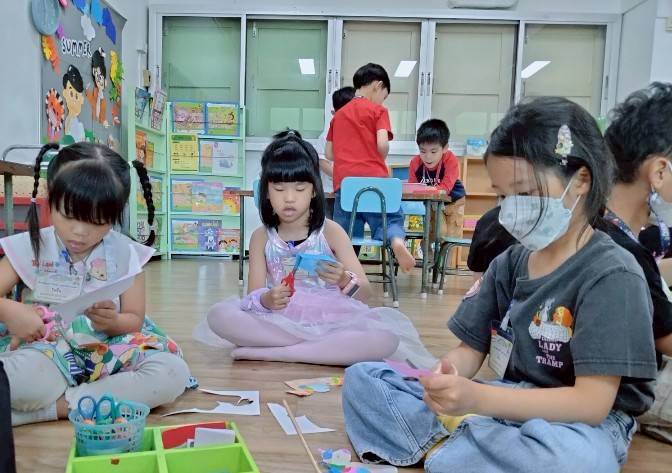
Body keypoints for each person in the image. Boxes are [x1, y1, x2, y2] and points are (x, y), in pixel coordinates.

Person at [342, 97, 657, 472]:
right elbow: (470, 350)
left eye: (524, 193)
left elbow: (591, 404)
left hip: (578, 424)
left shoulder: (612, 274)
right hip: (505, 403)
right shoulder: (511, 262)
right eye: (503, 195)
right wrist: (446, 376)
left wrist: (478, 400)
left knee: (578, 460)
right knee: (364, 377)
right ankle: (464, 448)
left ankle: (447, 446)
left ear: (580, 181)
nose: (511, 208)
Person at [195, 131, 435, 367]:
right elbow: (253, 299)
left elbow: (364, 293)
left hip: (332, 321)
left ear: (314, 191)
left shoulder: (331, 232)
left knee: (386, 339)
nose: (289, 198)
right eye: (279, 189)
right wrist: (267, 299)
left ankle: (278, 353)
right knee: (219, 315)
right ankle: (313, 350)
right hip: (280, 321)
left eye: (299, 189)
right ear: (266, 192)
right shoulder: (261, 238)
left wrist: (344, 280)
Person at [0, 143, 190, 426]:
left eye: (97, 221)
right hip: (45, 353)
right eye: (68, 215)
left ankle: (51, 409)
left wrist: (113, 322)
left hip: (109, 351)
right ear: (51, 197)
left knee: (172, 373)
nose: (80, 232)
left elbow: (134, 319)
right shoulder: (31, 245)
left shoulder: (126, 254)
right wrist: (8, 310)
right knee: (24, 378)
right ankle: (84, 401)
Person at [603, 82, 672, 442]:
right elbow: (667, 338)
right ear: (659, 171)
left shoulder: (599, 229)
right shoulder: (627, 253)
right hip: (620, 400)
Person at [327, 63, 416, 272]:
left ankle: (343, 273)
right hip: (376, 184)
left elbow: (329, 153)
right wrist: (379, 156)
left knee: (345, 234)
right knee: (390, 220)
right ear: (378, 85)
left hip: (346, 186)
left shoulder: (338, 115)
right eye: (384, 96)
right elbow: (382, 144)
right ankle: (396, 240)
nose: (382, 101)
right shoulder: (378, 111)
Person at [408, 119, 466, 240]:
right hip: (433, 202)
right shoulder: (415, 163)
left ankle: (444, 253)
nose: (428, 156)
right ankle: (427, 250)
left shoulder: (450, 160)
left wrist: (426, 190)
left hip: (453, 201)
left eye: (433, 151)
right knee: (436, 233)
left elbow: (445, 188)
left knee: (450, 238)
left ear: (445, 148)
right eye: (423, 151)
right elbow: (412, 190)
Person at [314, 86, 356, 218]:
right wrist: (342, 177)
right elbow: (322, 162)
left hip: (351, 191)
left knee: (348, 224)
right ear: (334, 113)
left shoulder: (359, 135)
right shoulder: (326, 135)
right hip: (330, 191)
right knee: (330, 223)